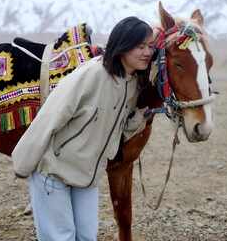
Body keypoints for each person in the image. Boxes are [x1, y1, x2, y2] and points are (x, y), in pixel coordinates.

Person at [11, 17, 155, 241]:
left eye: (150, 46)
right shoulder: (92, 74)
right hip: (54, 170)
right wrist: (24, 162)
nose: (147, 52)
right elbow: (51, 115)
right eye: (140, 46)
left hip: (88, 174)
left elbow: (115, 130)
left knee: (87, 237)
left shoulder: (132, 84)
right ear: (123, 45)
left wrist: (140, 119)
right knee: (61, 237)